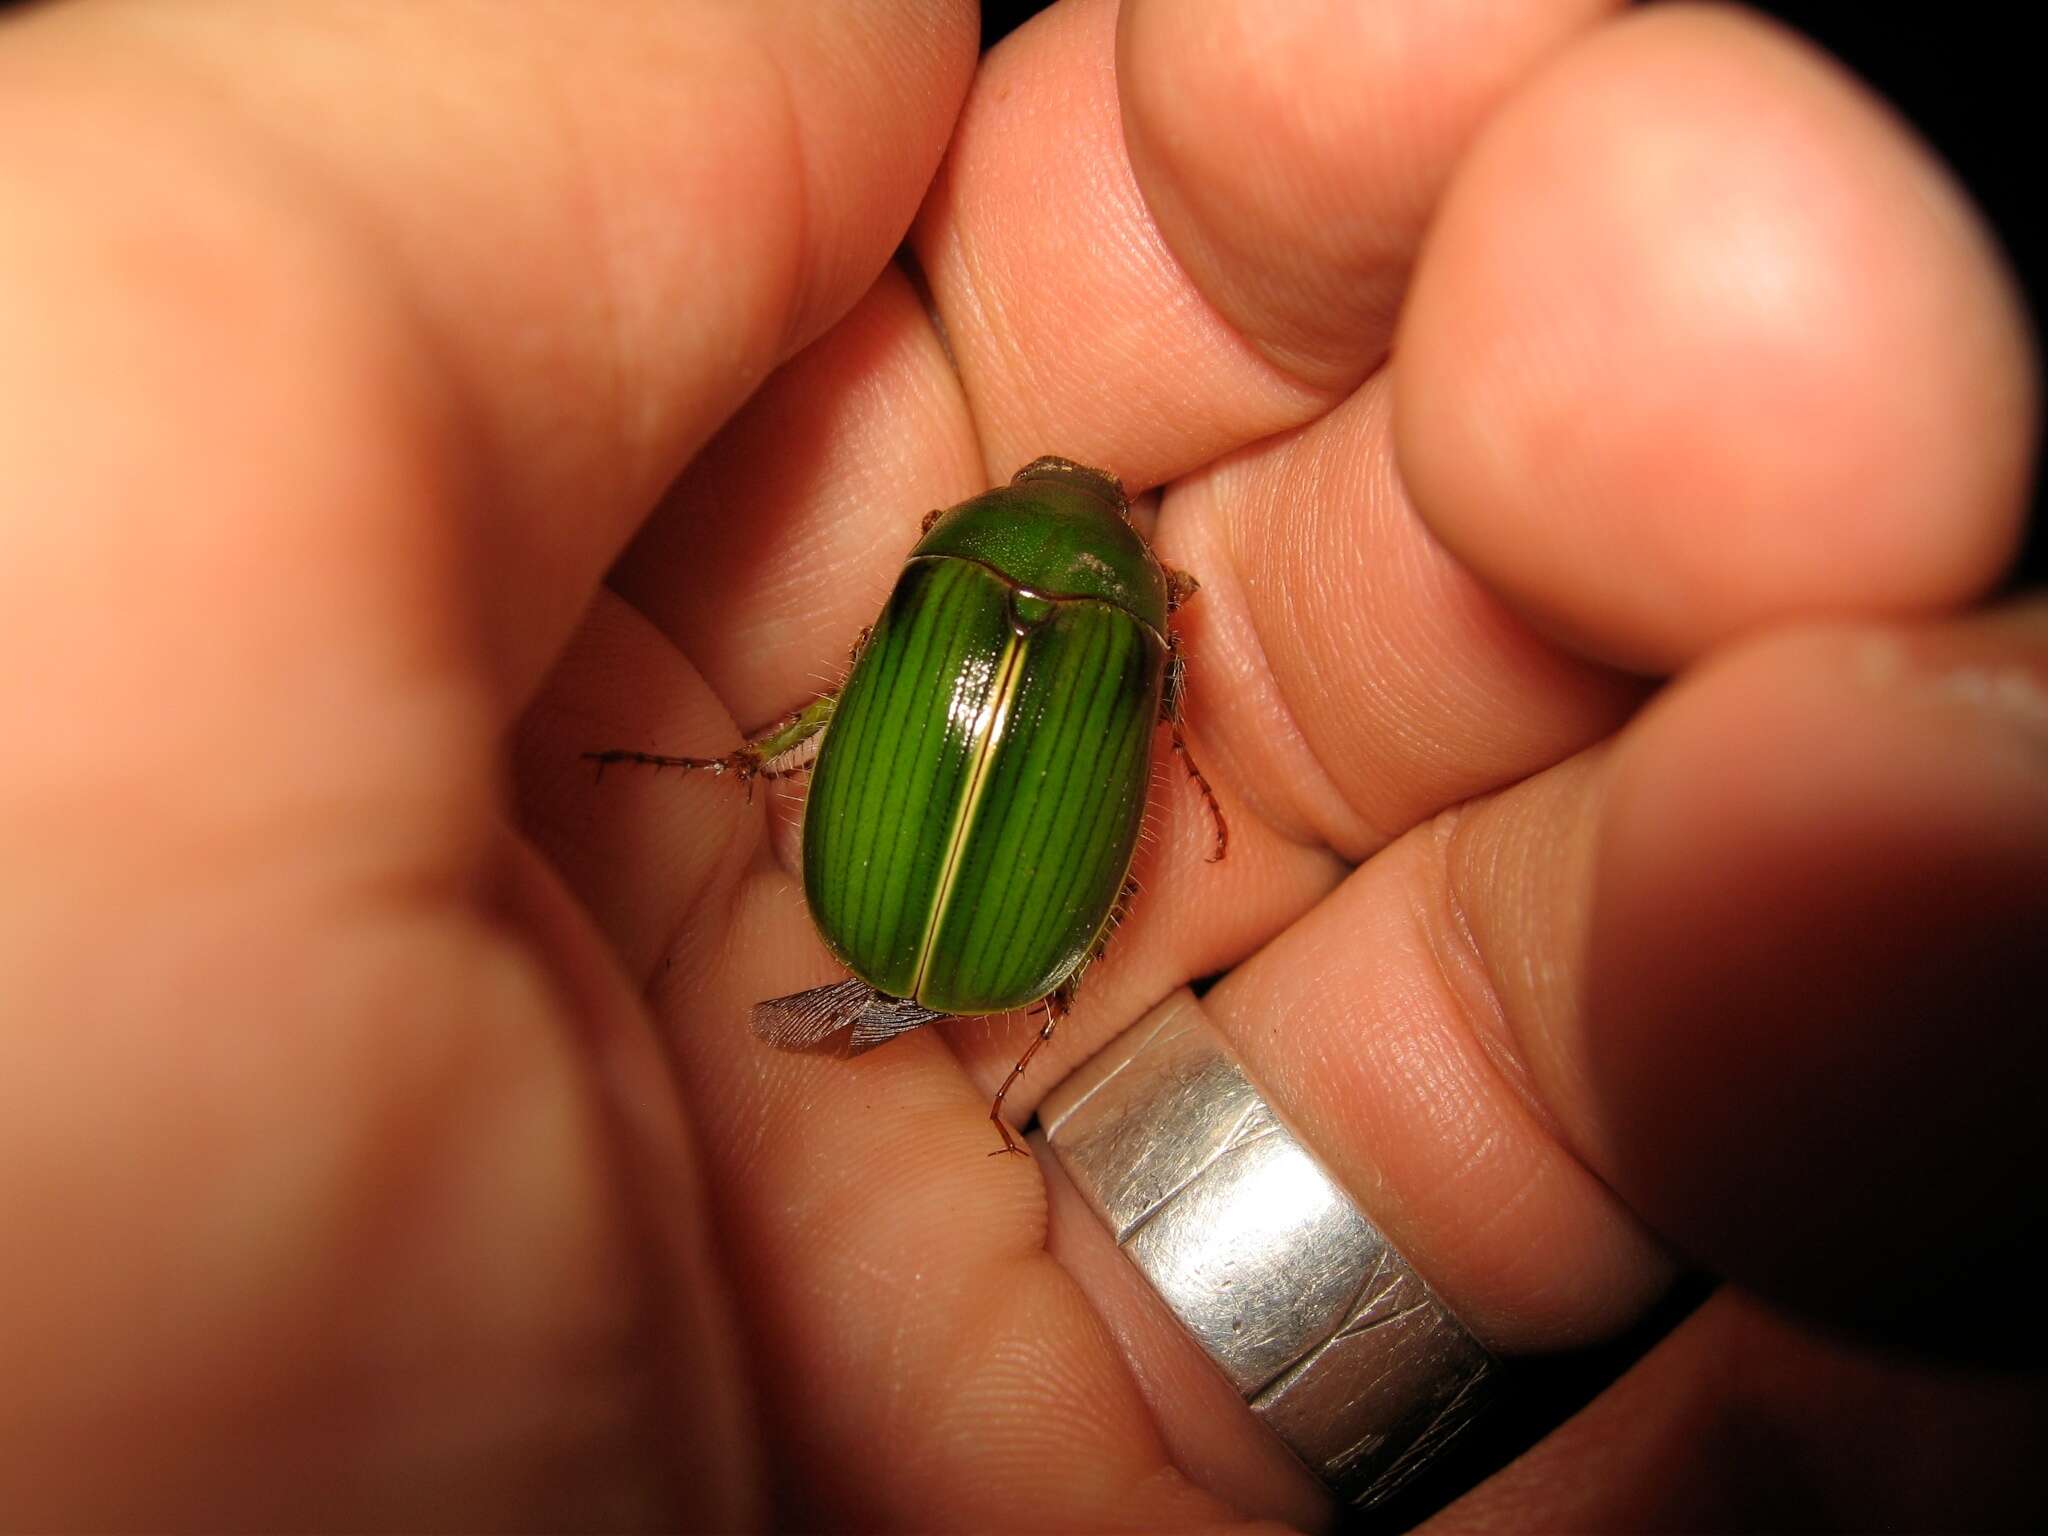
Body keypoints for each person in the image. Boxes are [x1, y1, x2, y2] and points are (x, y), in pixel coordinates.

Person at [1, 0, 2038, 1527]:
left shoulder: (953, 567)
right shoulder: (1143, 632)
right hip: (967, 941)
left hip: (866, 891)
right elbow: (1172, 769)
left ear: (957, 556)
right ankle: (1015, 1014)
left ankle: (824, 873)